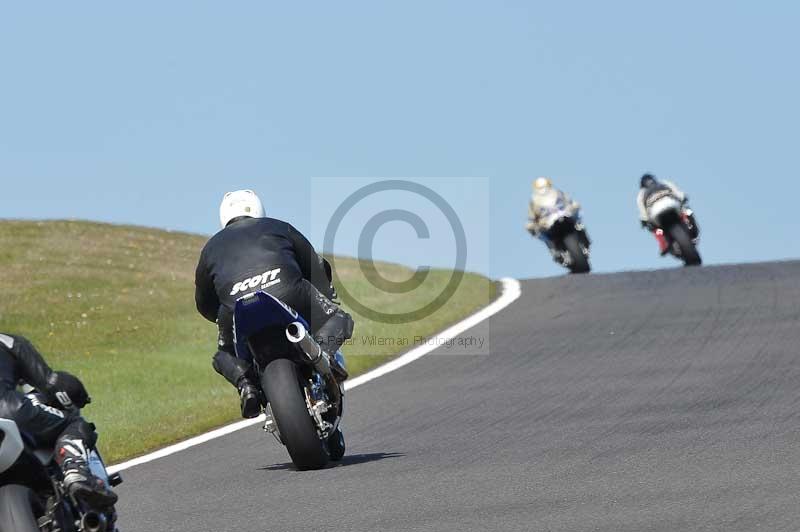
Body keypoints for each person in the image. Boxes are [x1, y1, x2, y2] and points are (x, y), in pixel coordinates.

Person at [194, 190, 354, 419]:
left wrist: (222, 316)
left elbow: (203, 303)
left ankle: (246, 386)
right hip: (289, 291)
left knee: (223, 355)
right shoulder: (279, 226)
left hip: (236, 308)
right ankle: (323, 356)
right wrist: (326, 292)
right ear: (258, 209)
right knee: (339, 318)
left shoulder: (210, 248)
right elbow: (315, 266)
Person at [0, 333, 118, 507]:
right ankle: (75, 470)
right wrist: (79, 395)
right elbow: (53, 384)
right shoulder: (7, 341)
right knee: (73, 423)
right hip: (10, 409)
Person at [525, 177, 583, 254]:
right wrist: (532, 224)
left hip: (564, 214)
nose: (543, 189)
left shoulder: (557, 193)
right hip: (547, 223)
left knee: (577, 217)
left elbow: (569, 201)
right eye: (540, 187)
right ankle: (554, 250)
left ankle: (581, 232)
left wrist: (573, 206)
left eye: (544, 186)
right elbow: (531, 217)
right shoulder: (534, 202)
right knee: (540, 233)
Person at [637, 173, 690, 255]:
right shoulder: (664, 183)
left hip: (656, 213)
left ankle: (663, 243)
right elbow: (677, 193)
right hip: (672, 205)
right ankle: (688, 224)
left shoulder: (642, 193)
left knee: (655, 229)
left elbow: (642, 210)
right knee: (686, 211)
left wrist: (644, 220)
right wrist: (682, 197)